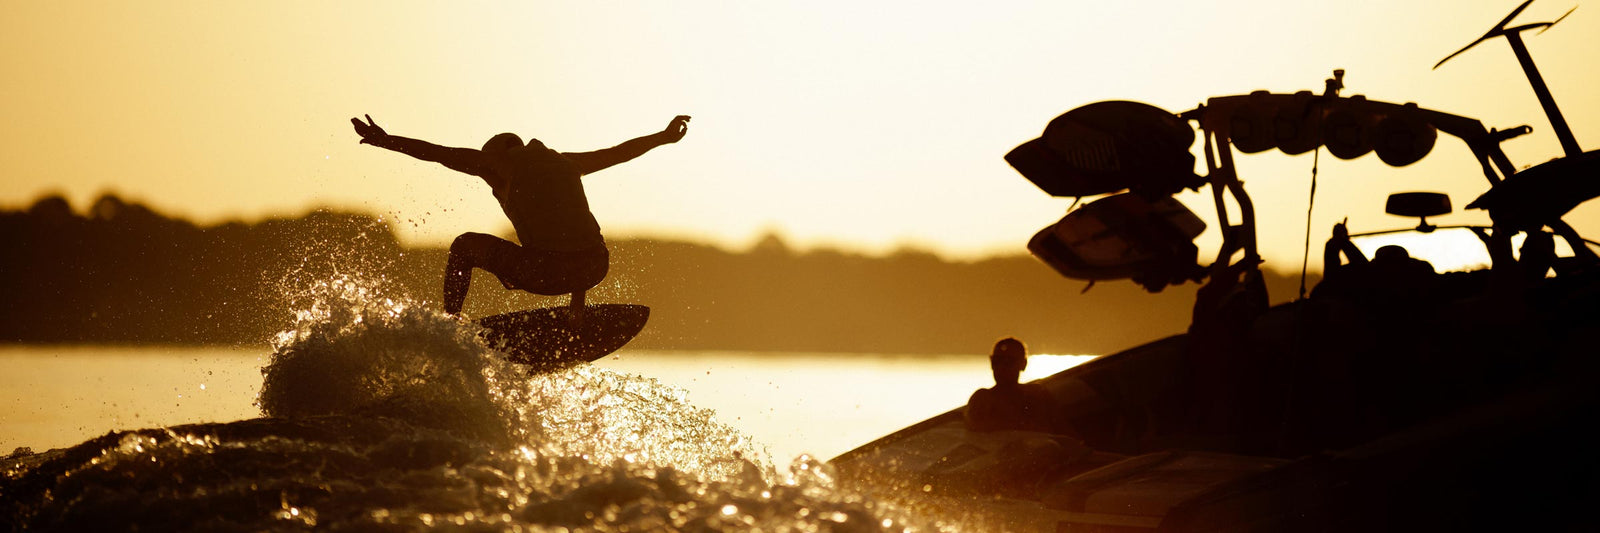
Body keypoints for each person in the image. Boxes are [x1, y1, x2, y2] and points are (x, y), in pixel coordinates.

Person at [350, 114, 690, 317]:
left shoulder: (495, 163)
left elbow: (437, 153)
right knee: (566, 228)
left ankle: (450, 323)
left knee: (464, 245)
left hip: (546, 270)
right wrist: (663, 136)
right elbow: (617, 153)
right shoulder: (566, 161)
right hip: (592, 266)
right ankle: (576, 311)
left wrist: (385, 140)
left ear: (494, 156)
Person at [964, 338, 1056, 432]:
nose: (1001, 367)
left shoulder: (1037, 394)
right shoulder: (982, 398)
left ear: (1023, 364)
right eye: (997, 361)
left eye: (1009, 361)